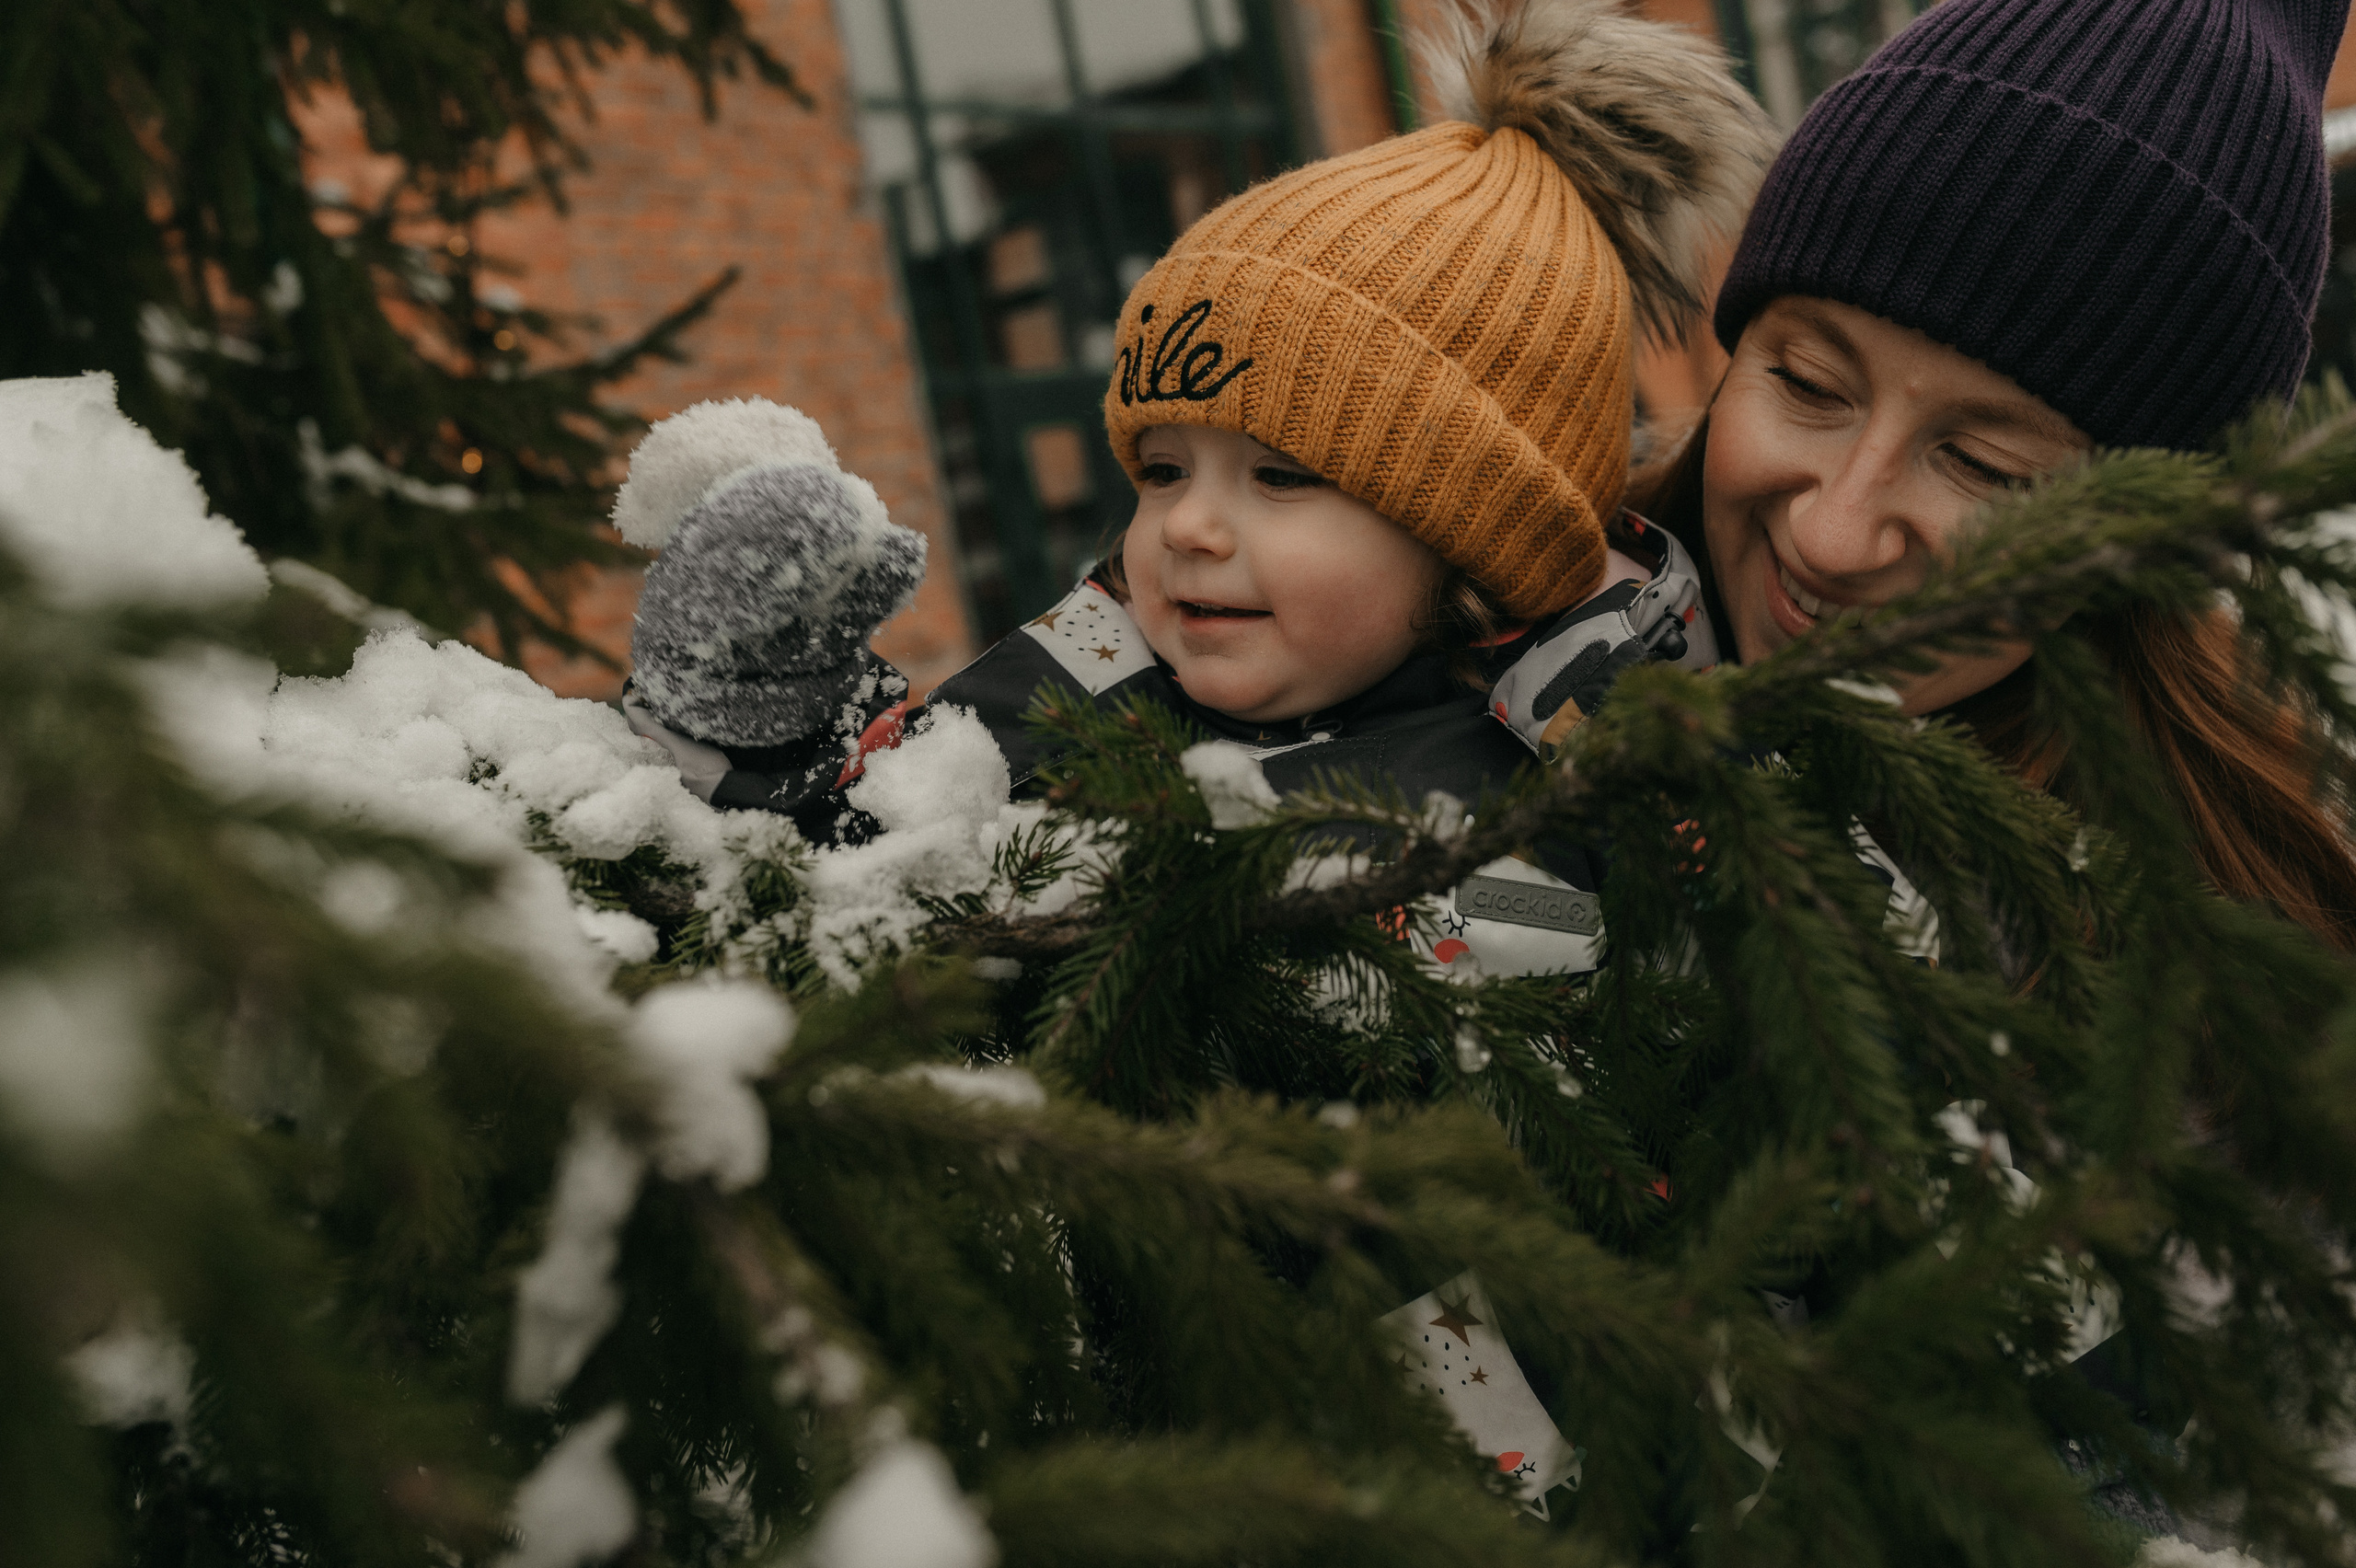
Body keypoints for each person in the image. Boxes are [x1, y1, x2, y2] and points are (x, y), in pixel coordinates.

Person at [617, 0, 1775, 980]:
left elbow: (1617, 977)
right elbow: (840, 877)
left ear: (1472, 537)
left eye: (1280, 477)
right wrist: (751, 725)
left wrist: (1355, 922)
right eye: (1161, 471)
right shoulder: (1088, 675)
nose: (1187, 528)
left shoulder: (1585, 793)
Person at [1515, 0, 2356, 950]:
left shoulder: (2228, 1001)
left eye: (1984, 466)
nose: (1834, 536)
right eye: (1808, 382)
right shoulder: (1447, 667)